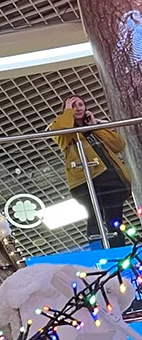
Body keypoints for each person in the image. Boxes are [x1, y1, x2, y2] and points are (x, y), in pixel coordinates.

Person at [50, 95, 131, 247]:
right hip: (85, 181)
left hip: (111, 179)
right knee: (94, 217)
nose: (78, 108)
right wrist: (67, 113)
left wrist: (94, 126)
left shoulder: (94, 127)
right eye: (73, 105)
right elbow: (60, 132)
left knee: (115, 219)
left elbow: (118, 145)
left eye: (81, 104)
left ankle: (118, 250)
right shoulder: (61, 127)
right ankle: (98, 251)